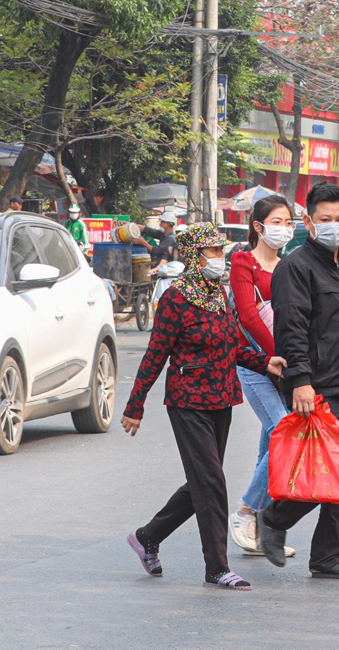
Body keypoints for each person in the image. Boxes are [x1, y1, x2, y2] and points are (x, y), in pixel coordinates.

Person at [122, 225, 285, 591]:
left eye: (219, 251)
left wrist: (266, 362)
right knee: (212, 482)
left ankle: (148, 536)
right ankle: (217, 568)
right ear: (193, 256)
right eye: (211, 252)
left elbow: (232, 346)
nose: (218, 259)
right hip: (187, 400)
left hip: (221, 398)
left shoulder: (217, 292)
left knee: (203, 482)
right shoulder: (176, 299)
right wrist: (135, 405)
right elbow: (155, 355)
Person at [257, 182, 339, 581]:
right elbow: (291, 329)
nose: (334, 226)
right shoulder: (294, 268)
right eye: (325, 220)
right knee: (327, 473)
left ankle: (328, 557)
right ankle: (274, 519)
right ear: (309, 222)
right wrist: (300, 381)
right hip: (317, 388)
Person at [227, 195, 300, 559]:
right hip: (256, 363)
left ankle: (256, 524)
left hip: (285, 364)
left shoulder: (287, 266)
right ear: (258, 226)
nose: (284, 228)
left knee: (268, 447)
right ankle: (244, 512)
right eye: (277, 221)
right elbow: (247, 316)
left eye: (289, 222)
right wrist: (275, 355)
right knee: (283, 430)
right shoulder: (243, 262)